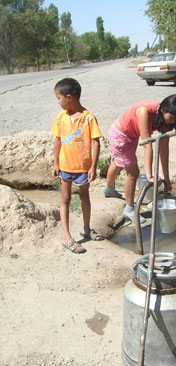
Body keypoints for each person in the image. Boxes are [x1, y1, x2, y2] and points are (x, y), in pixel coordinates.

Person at [103, 94, 176, 222]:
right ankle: (129, 208)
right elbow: (147, 145)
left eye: (175, 121)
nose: (171, 122)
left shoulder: (166, 113)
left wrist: (166, 177)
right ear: (163, 110)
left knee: (119, 160)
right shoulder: (144, 111)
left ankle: (109, 189)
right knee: (133, 173)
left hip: (131, 135)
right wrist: (150, 176)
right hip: (120, 136)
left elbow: (163, 147)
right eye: (170, 118)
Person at [51, 78, 103, 254]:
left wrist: (93, 167)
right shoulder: (60, 117)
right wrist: (56, 163)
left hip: (83, 168)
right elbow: (57, 140)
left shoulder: (88, 117)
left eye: (59, 98)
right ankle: (67, 237)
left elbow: (96, 142)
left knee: (84, 197)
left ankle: (86, 229)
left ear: (69, 97)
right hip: (65, 167)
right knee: (65, 199)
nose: (58, 102)